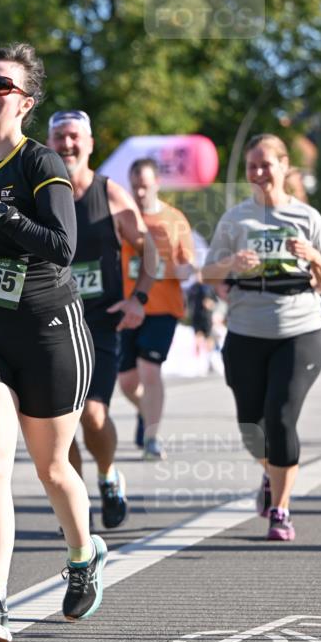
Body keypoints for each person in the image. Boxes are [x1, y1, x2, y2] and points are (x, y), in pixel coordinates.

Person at [0, 42, 121, 642]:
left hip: (49, 330)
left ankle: (82, 553)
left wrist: (0, 214)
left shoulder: (42, 163)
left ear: (26, 102)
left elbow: (62, 246)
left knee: (51, 467)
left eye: (3, 85)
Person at [203, 134, 321, 541]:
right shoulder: (235, 220)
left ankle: (280, 509)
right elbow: (207, 274)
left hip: (299, 330)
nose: (259, 172)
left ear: (284, 166)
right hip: (246, 332)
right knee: (252, 428)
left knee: (280, 418)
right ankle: (273, 473)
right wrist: (232, 262)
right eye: (253, 166)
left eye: (267, 164)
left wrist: (313, 256)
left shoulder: (307, 218)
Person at [46, 109, 152, 529]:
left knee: (92, 415)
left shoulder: (110, 194)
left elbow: (149, 251)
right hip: (52, 323)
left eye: (74, 137)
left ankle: (108, 477)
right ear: (50, 144)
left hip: (100, 322)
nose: (67, 145)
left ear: (89, 144)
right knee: (60, 426)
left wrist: (138, 298)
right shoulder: (41, 194)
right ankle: (75, 500)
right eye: (59, 138)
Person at [118, 158, 196, 459]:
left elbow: (188, 268)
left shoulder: (174, 219)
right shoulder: (122, 218)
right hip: (127, 306)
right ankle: (145, 411)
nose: (139, 193)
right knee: (126, 382)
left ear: (157, 184)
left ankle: (151, 438)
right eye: (135, 186)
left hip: (162, 307)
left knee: (150, 370)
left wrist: (168, 268)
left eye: (145, 186)